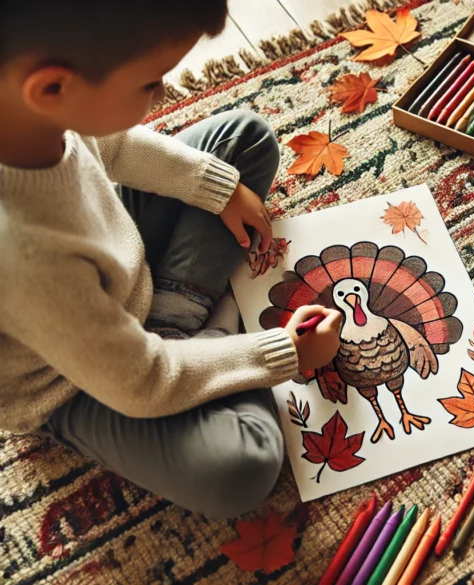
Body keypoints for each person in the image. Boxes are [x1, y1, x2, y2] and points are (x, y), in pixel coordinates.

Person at [0, 1, 343, 517]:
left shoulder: (32, 110)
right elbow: (143, 380)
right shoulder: (25, 257)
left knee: (242, 141)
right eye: (149, 83)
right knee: (240, 468)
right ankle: (203, 329)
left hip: (115, 274)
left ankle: (173, 320)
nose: (162, 94)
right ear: (52, 88)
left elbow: (108, 143)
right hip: (72, 381)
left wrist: (218, 189)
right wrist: (282, 354)